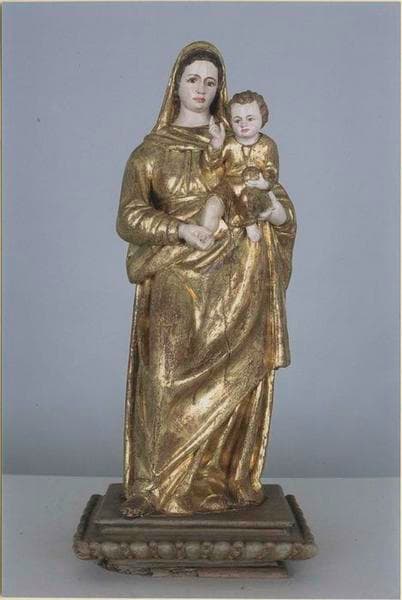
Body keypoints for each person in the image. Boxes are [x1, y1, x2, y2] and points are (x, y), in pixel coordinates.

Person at [116, 41, 296, 518]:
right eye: (193, 79)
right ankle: (154, 486)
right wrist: (179, 229)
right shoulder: (150, 152)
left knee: (231, 378)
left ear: (221, 90)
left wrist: (276, 213)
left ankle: (212, 480)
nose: (201, 88)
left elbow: (273, 198)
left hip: (239, 276)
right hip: (178, 271)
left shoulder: (239, 142)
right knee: (164, 375)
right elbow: (129, 217)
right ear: (175, 84)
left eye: (210, 82)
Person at [199, 90, 285, 243]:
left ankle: (250, 222)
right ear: (230, 122)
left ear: (262, 117)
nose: (243, 124)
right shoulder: (228, 143)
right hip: (228, 188)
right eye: (237, 120)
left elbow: (271, 170)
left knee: (277, 216)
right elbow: (211, 165)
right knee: (212, 206)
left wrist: (264, 183)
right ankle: (203, 239)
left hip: (254, 187)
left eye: (250, 119)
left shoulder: (268, 145)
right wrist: (216, 144)